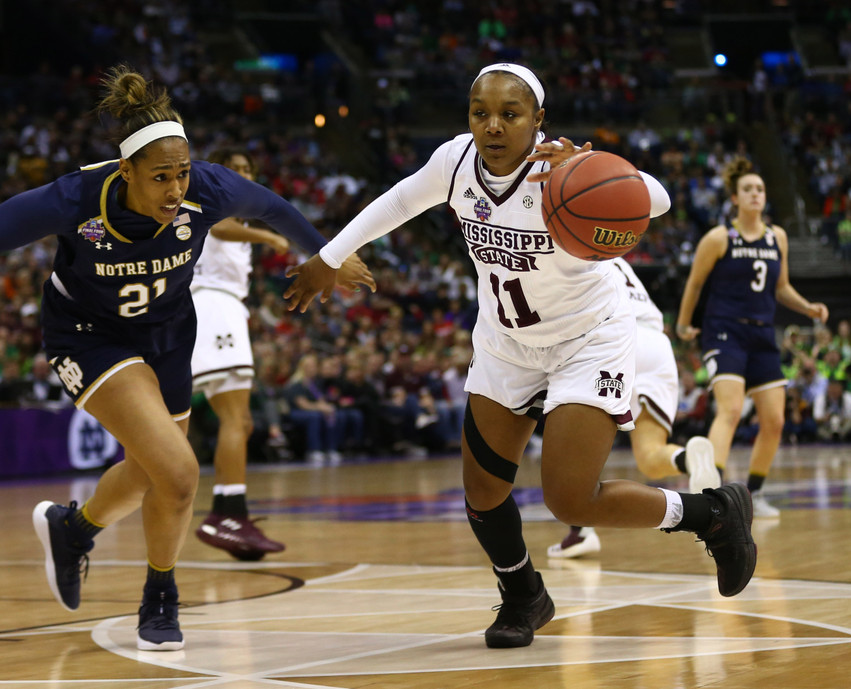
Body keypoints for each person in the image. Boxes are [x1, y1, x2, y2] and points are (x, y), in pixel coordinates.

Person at [284, 62, 756, 650]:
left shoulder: (560, 169)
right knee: (482, 493)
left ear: (538, 120)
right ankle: (523, 595)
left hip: (588, 340)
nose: (493, 125)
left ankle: (710, 513)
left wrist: (582, 165)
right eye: (481, 112)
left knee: (569, 498)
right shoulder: (455, 163)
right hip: (508, 343)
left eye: (510, 114)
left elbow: (655, 200)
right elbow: (394, 203)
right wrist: (328, 256)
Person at [0, 66, 374, 652]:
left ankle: (74, 530)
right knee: (179, 471)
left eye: (181, 173)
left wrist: (326, 257)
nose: (175, 189)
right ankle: (161, 594)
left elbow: (277, 211)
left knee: (157, 474)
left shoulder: (209, 187)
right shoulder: (75, 198)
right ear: (124, 171)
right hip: (89, 335)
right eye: (160, 177)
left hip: (170, 333)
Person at [676, 156, 829, 520]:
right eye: (748, 189)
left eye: (760, 189)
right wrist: (683, 325)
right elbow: (695, 284)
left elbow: (782, 287)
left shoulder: (778, 237)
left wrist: (807, 307)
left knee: (774, 421)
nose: (756, 194)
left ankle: (754, 493)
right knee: (729, 409)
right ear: (734, 197)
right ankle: (711, 497)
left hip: (762, 333)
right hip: (724, 330)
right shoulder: (719, 237)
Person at [548, 257, 720, 559]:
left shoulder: (565, 243)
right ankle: (687, 460)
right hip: (656, 344)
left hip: (613, 338)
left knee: (576, 446)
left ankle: (580, 531)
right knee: (650, 456)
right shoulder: (613, 251)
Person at [190, 147, 290, 561]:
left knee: (240, 419)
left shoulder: (236, 215)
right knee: (235, 417)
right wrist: (266, 235)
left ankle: (230, 511)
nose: (245, 175)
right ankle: (226, 514)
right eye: (236, 170)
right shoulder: (212, 206)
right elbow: (221, 228)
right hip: (213, 305)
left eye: (249, 169)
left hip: (221, 307)